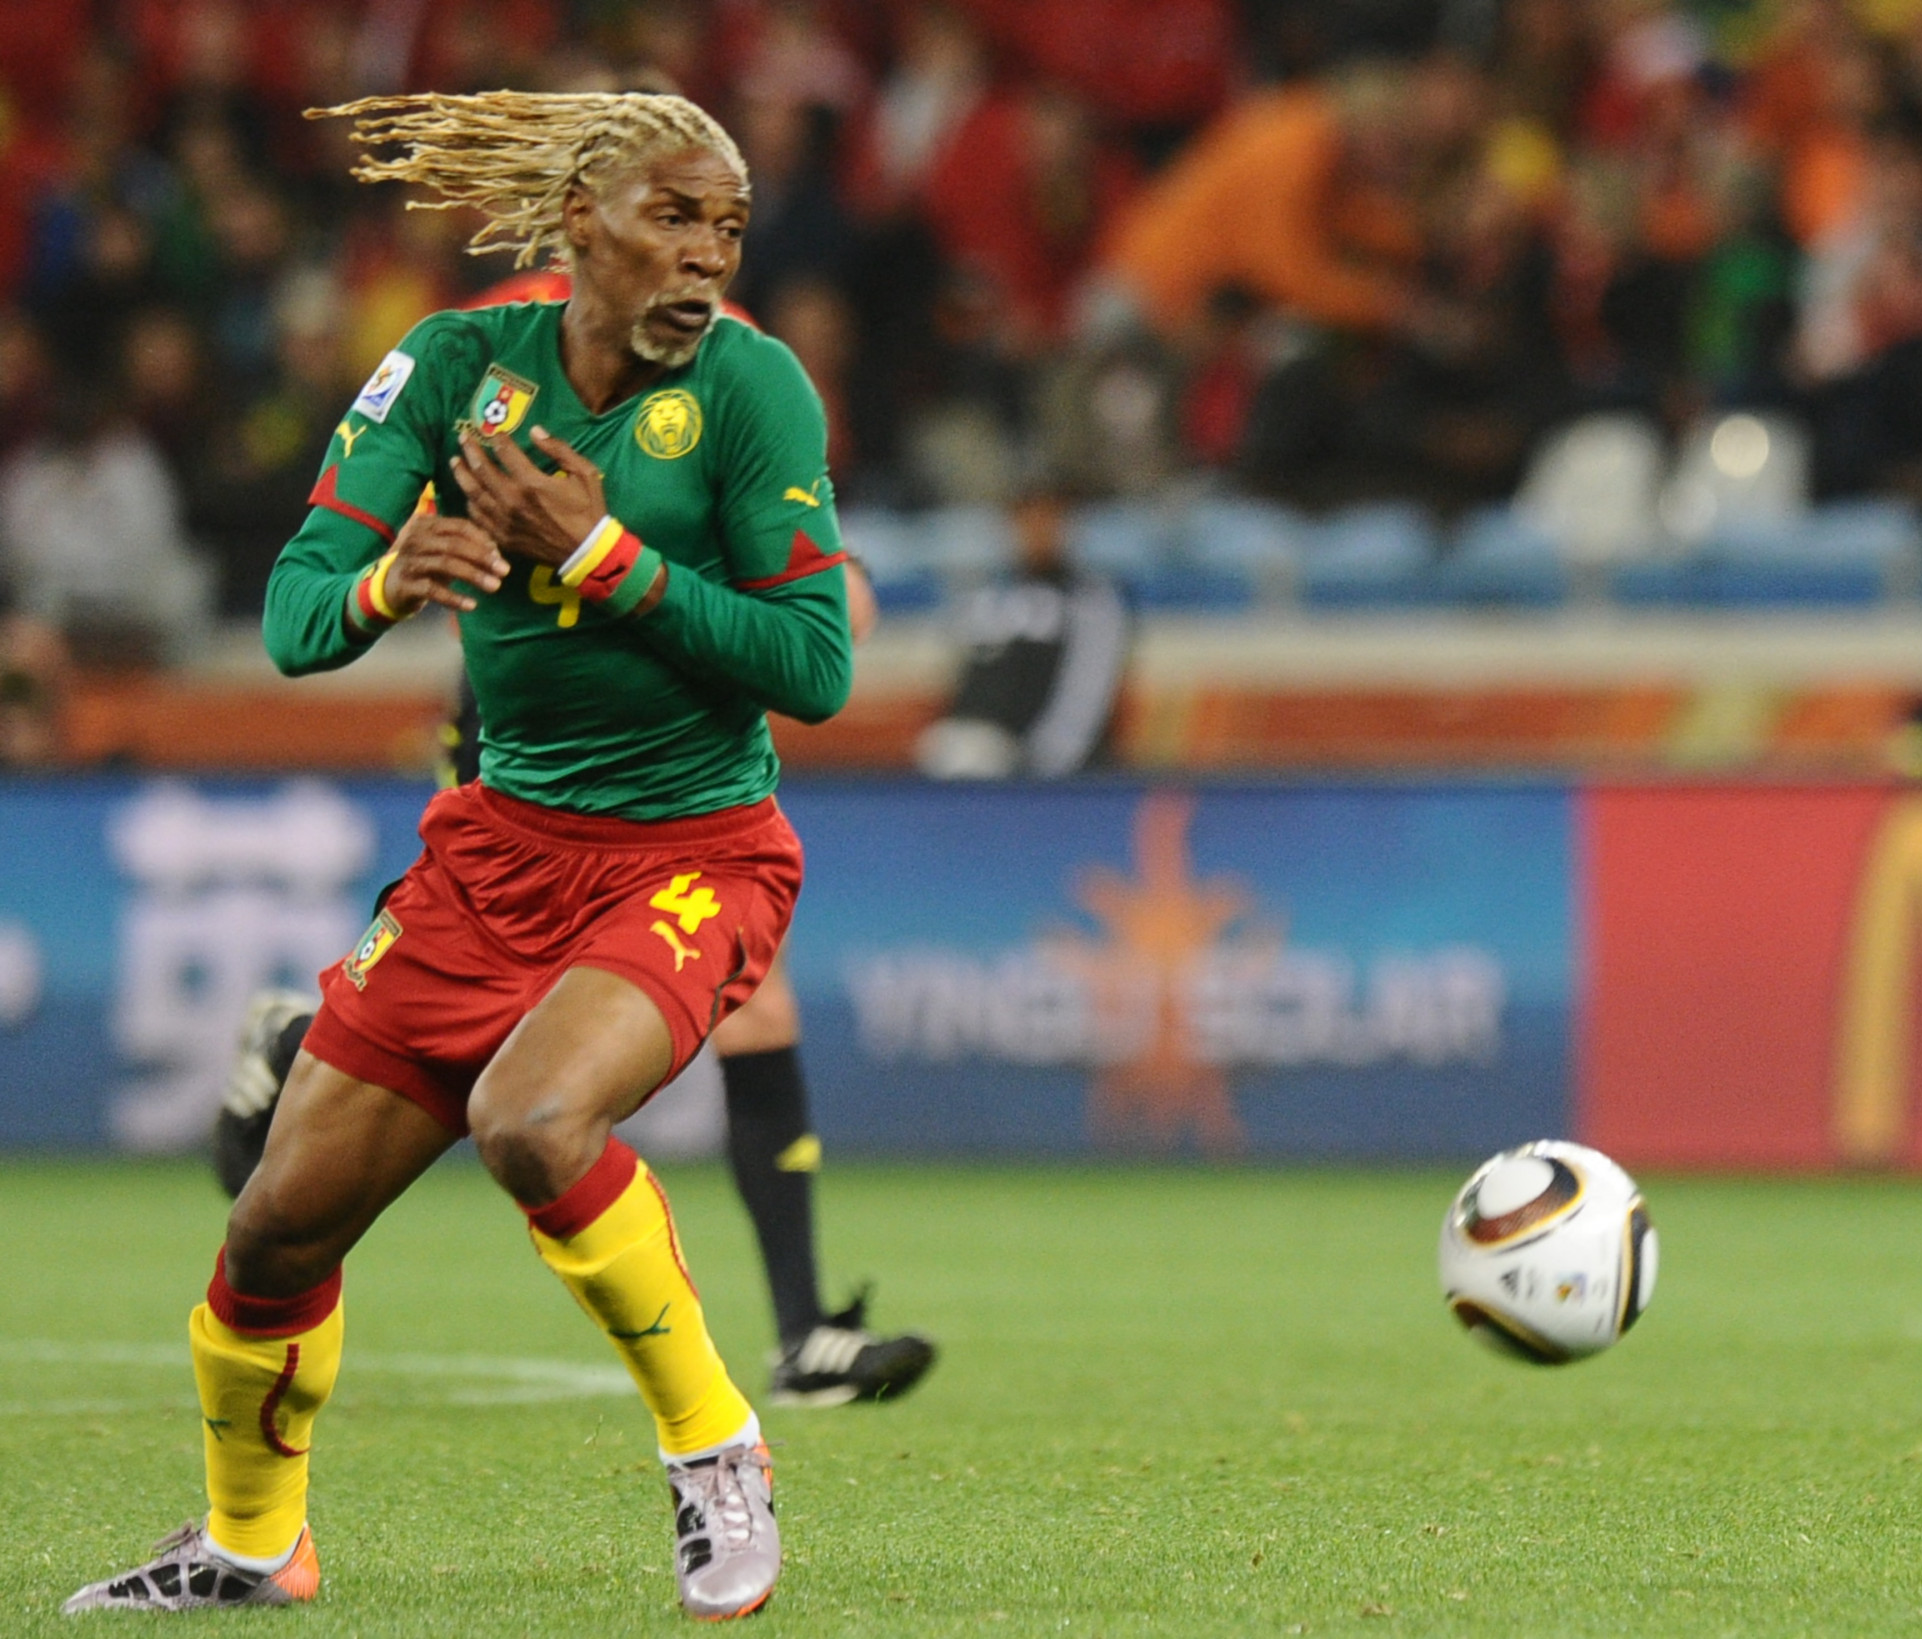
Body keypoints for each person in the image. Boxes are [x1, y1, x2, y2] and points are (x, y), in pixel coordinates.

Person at [66, 89, 849, 1621]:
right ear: (579, 224)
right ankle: (252, 1541)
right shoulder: (447, 367)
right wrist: (383, 583)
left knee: (532, 1119)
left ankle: (716, 1444)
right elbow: (295, 613)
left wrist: (603, 555)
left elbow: (814, 666)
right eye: (674, 218)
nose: (708, 256)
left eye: (729, 226)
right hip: (494, 851)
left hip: (691, 850)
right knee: (273, 1225)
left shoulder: (754, 386)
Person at [215, 552, 936, 1408]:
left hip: (662, 755)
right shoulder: (545, 467)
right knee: (500, 1033)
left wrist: (800, 597)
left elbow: (827, 592)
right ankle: (305, 1042)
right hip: (535, 731)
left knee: (754, 1000)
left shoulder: (739, 476)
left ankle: (802, 1334)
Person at [914, 482, 1129, 778]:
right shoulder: (987, 595)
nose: (1036, 532)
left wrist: (1045, 763)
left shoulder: (1090, 599)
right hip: (977, 754)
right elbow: (966, 682)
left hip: (1049, 769)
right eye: (1027, 520)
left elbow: (1087, 689)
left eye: (1048, 520)